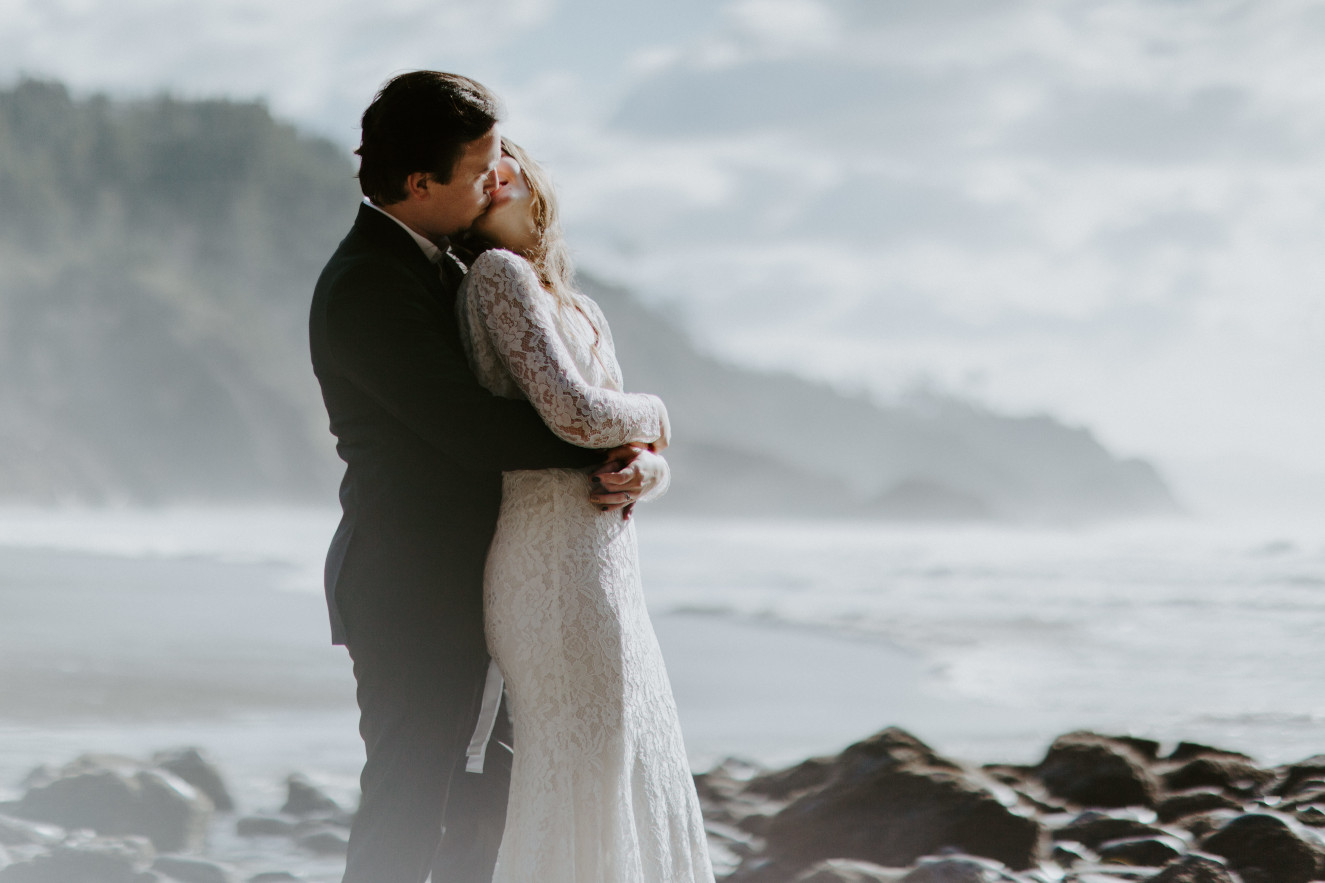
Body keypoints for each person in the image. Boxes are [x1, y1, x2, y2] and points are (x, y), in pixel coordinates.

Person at [308, 71, 657, 883]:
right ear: (421, 182)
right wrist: (613, 445)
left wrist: (634, 463)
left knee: (488, 803)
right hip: (408, 582)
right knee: (409, 796)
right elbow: (466, 429)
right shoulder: (367, 282)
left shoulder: (454, 261)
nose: (499, 179)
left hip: (488, 578)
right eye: (480, 168)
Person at [454, 138, 714, 883]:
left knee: (624, 764)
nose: (497, 173)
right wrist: (658, 411)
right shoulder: (495, 277)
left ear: (535, 180)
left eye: (508, 158)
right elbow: (575, 415)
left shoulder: (585, 307)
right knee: (580, 769)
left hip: (608, 567)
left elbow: (628, 452)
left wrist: (651, 471)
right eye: (482, 170)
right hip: (549, 563)